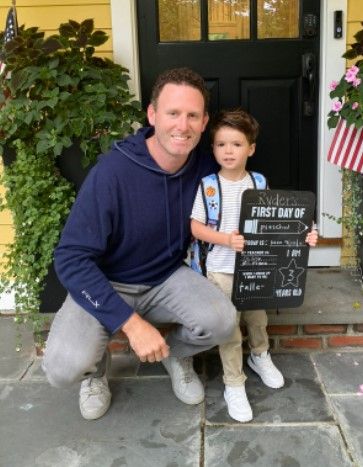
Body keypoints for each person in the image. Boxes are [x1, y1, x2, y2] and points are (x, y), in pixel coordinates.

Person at [42, 68, 236, 420]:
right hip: (108, 280)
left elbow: (244, 196)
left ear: (205, 121)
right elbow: (70, 257)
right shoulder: (113, 172)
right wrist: (131, 324)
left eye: (193, 115)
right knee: (62, 367)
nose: (183, 125)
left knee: (222, 321)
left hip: (166, 277)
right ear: (151, 115)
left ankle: (175, 355)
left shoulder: (206, 165)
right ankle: (96, 372)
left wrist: (297, 228)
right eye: (173, 113)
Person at [190, 109, 318, 422]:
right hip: (220, 270)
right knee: (230, 329)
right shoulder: (209, 186)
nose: (228, 151)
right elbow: (195, 227)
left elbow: (276, 218)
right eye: (221, 145)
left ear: (251, 149)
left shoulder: (258, 182)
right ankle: (233, 382)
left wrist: (304, 233)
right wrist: (224, 239)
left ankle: (260, 356)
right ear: (213, 149)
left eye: (236, 144)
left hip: (256, 269)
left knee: (258, 319)